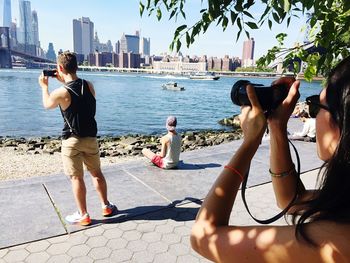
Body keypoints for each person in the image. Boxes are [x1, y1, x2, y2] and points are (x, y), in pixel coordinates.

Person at [191, 56, 350, 262]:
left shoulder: (332, 241)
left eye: (317, 106)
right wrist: (276, 126)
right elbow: (290, 200)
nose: (314, 116)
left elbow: (203, 237)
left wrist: (250, 142)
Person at [38, 51, 117, 226]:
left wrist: (44, 87)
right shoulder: (89, 85)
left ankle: (83, 215)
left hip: (71, 141)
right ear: (77, 67)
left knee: (76, 178)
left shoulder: (61, 92)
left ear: (59, 68)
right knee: (97, 174)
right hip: (90, 138)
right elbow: (82, 103)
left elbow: (47, 104)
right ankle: (106, 206)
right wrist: (65, 81)